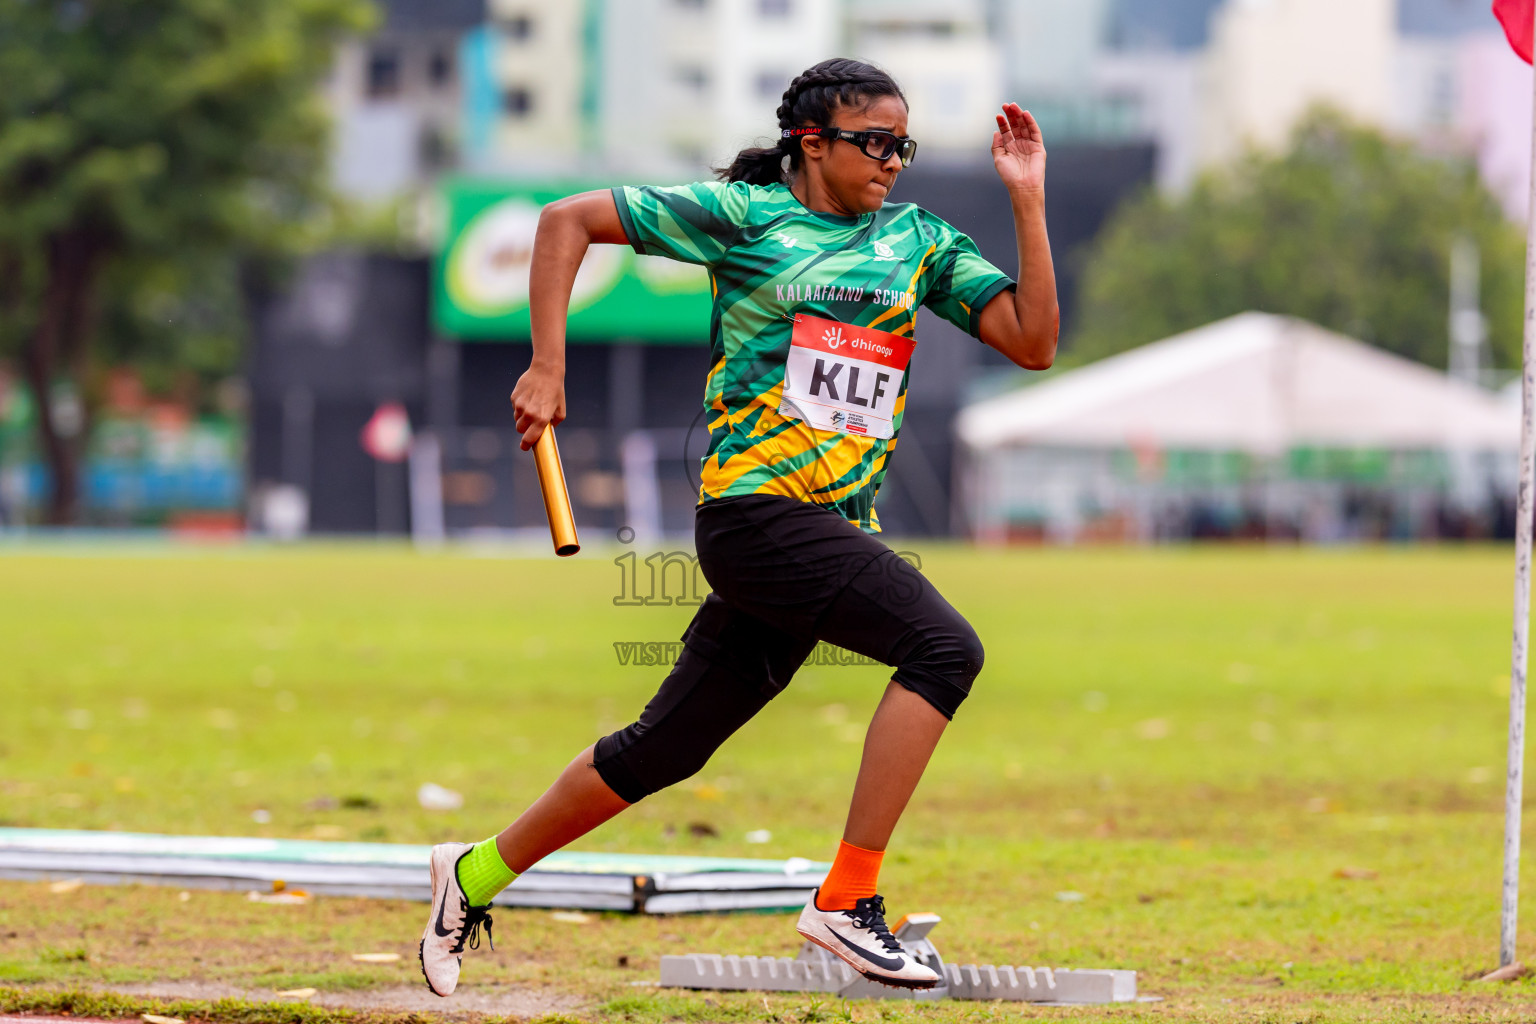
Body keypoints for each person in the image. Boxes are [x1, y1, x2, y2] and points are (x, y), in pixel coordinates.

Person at [419, 57, 1059, 997]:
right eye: (873, 142)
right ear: (812, 143)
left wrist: (1028, 202)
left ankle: (470, 873)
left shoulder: (916, 240)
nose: (892, 161)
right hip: (757, 516)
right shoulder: (746, 218)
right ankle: (846, 902)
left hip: (823, 527)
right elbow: (565, 222)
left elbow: (1033, 342)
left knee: (664, 749)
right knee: (943, 649)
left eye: (902, 145)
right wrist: (547, 366)